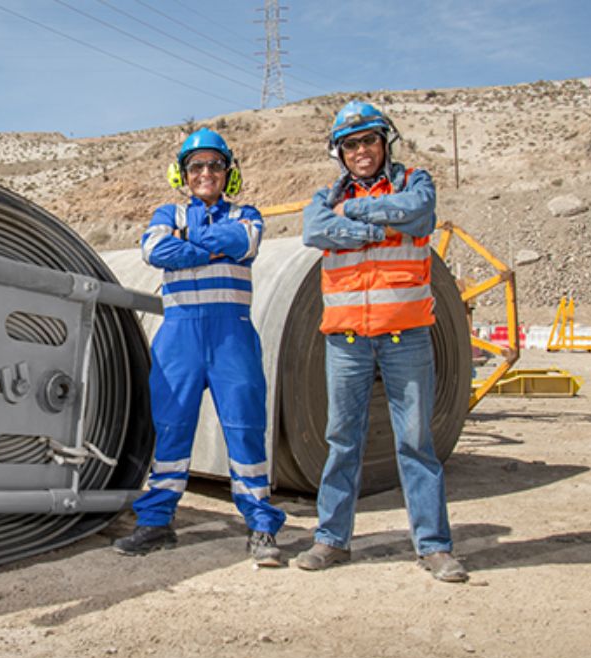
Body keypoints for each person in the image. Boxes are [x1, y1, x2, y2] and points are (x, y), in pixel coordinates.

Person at [296, 101, 467, 582]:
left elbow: (417, 213)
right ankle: (332, 540)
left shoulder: (415, 181)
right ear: (341, 153)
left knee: (416, 442)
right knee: (341, 442)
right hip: (346, 341)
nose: (361, 151)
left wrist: (349, 213)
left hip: (405, 336)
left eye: (369, 140)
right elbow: (314, 229)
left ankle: (433, 546)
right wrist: (379, 227)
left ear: (384, 142)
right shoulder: (320, 196)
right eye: (351, 144)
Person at [112, 128, 286, 567]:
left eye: (214, 165)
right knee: (170, 427)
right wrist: (207, 249)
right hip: (180, 337)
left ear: (228, 172)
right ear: (182, 174)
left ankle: (262, 527)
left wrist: (187, 246)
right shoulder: (164, 212)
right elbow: (154, 249)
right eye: (196, 166)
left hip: (232, 336)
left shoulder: (247, 213)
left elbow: (242, 242)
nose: (205, 172)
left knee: (245, 428)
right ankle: (156, 523)